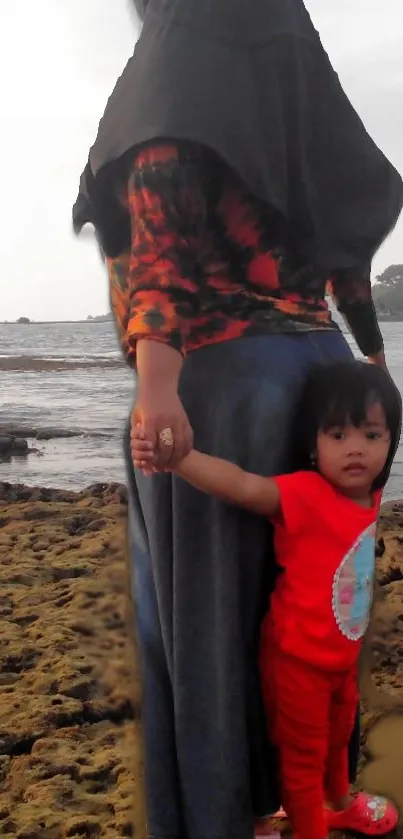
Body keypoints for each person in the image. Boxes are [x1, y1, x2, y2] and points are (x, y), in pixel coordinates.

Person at [72, 1, 403, 837]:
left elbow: (157, 232)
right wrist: (367, 357)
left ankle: (226, 816)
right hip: (318, 373)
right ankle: (304, 801)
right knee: (309, 608)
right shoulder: (293, 57)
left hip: (220, 378)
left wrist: (156, 382)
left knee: (209, 633)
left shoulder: (181, 51)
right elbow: (342, 243)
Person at [131, 360, 402, 839]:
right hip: (296, 661)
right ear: (313, 444)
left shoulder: (371, 495)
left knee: (340, 737)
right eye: (337, 435)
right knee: (301, 759)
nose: (355, 448)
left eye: (372, 435)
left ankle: (337, 802)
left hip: (342, 658)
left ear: (391, 441)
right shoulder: (306, 493)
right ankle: (309, 828)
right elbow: (240, 484)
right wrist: (179, 460)